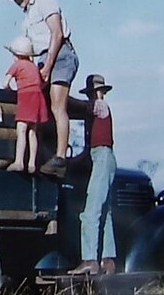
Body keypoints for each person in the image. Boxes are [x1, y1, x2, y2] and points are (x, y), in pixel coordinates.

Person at [4, 0, 79, 178]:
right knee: (38, 104)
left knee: (57, 106)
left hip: (59, 54)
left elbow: (57, 34)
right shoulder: (26, 19)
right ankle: (37, 156)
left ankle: (60, 157)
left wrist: (48, 66)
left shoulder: (46, 3)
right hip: (43, 58)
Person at [68, 73, 117, 276]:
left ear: (99, 92)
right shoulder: (96, 110)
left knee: (90, 213)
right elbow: (89, 150)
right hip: (102, 156)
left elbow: (80, 106)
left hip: (103, 157)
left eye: (92, 93)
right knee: (104, 212)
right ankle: (108, 260)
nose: (91, 97)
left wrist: (59, 95)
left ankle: (89, 259)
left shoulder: (100, 106)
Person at [3, 36, 50, 173]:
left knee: (21, 129)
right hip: (38, 97)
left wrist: (11, 90)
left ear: (16, 55)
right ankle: (31, 164)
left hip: (26, 97)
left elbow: (5, 83)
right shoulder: (34, 67)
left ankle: (19, 162)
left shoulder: (17, 65)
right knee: (32, 131)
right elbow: (42, 83)